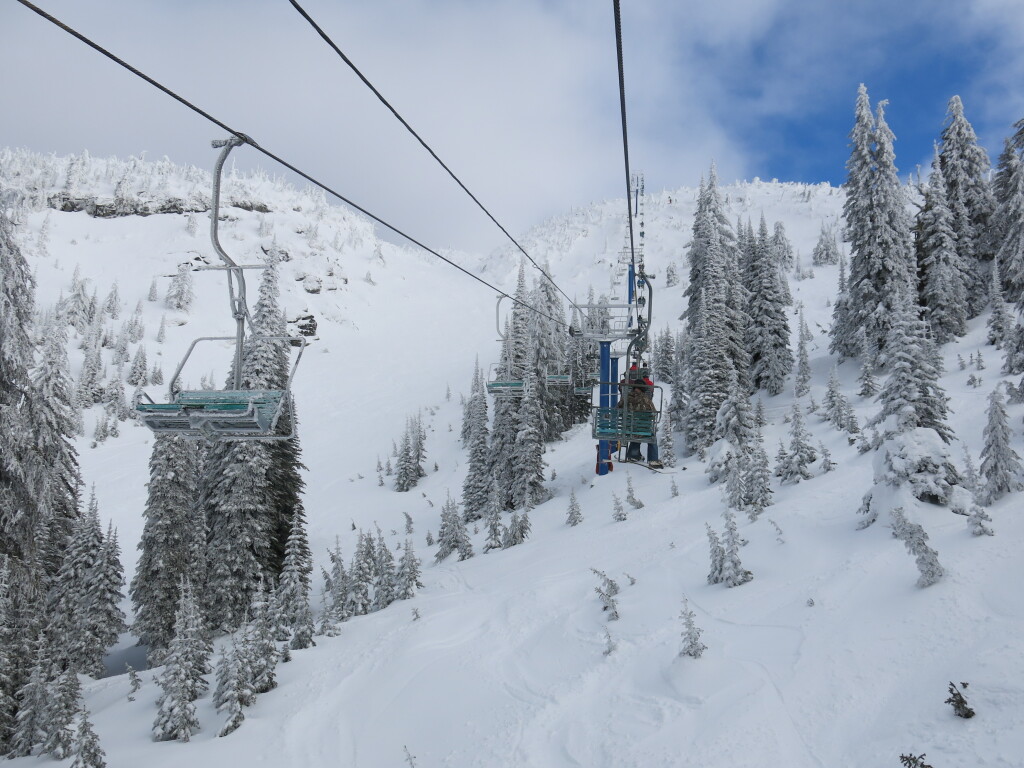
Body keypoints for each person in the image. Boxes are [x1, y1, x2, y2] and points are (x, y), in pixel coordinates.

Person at [623, 365, 662, 468]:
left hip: (627, 429)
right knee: (649, 435)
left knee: (635, 431)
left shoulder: (625, 398)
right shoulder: (646, 400)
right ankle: (653, 459)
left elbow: (617, 409)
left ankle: (633, 455)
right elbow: (653, 413)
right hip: (641, 429)